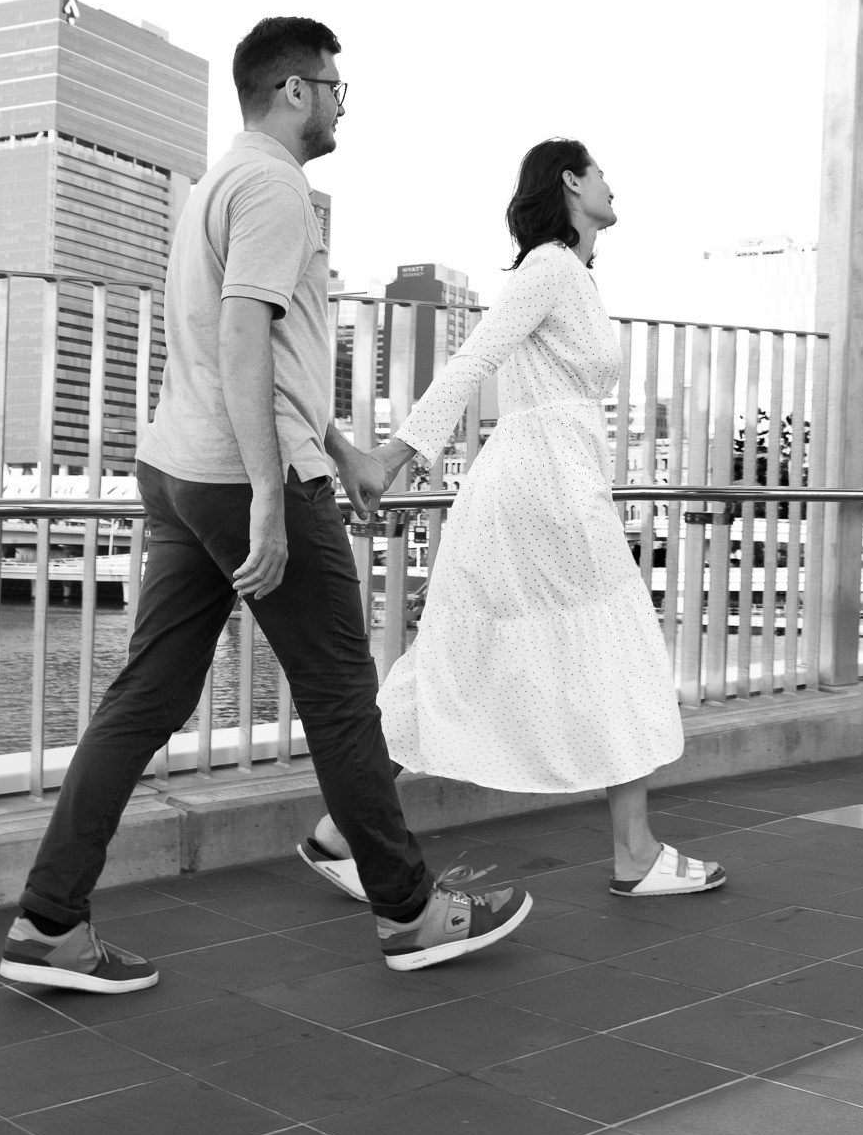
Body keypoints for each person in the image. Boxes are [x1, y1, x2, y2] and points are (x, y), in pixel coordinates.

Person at [0, 18, 532, 995]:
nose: (339, 107)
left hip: (178, 467)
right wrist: (267, 496)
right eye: (333, 88)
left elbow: (270, 355)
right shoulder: (278, 187)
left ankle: (48, 922)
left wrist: (344, 452)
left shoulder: (220, 182)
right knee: (339, 696)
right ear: (293, 89)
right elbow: (242, 338)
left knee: (146, 697)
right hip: (246, 473)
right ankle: (411, 911)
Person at [301, 137, 723, 902]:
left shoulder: (570, 274)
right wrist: (392, 456)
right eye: (600, 173)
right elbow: (472, 360)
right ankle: (633, 853)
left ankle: (337, 831)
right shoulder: (550, 268)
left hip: (544, 483)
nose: (611, 184)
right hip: (546, 487)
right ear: (570, 182)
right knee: (616, 646)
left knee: (459, 660)